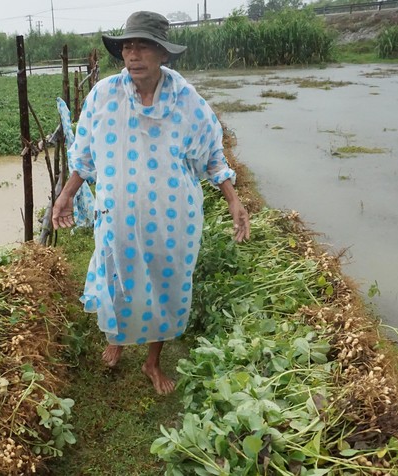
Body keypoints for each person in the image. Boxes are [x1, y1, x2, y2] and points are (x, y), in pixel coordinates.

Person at [52, 11, 250, 395]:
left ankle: (152, 361)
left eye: (142, 45)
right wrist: (65, 195)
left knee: (165, 281)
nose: (133, 54)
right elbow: (84, 155)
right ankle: (117, 338)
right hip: (117, 213)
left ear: (162, 53)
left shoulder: (186, 101)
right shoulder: (104, 96)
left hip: (171, 218)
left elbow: (212, 155)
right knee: (117, 277)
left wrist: (234, 201)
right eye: (127, 46)